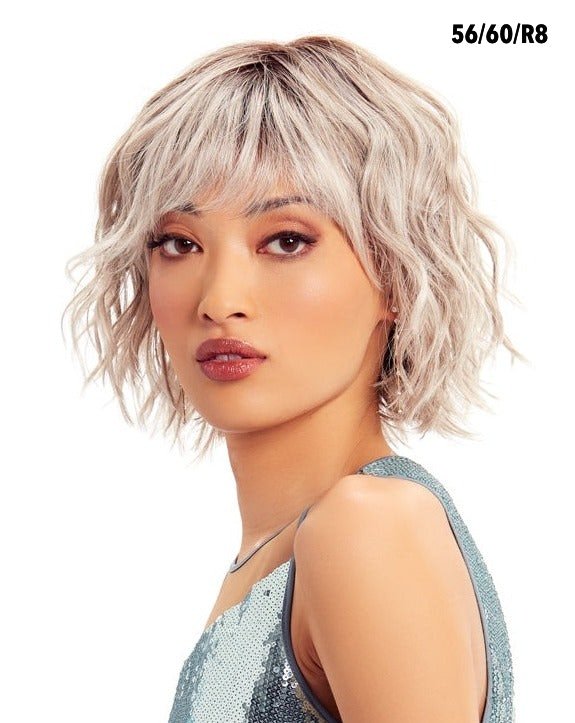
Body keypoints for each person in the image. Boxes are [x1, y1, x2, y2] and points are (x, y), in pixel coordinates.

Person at [62, 34, 519, 722]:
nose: (219, 299)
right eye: (180, 243)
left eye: (286, 240)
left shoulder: (366, 528)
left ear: (395, 274)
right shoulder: (288, 551)